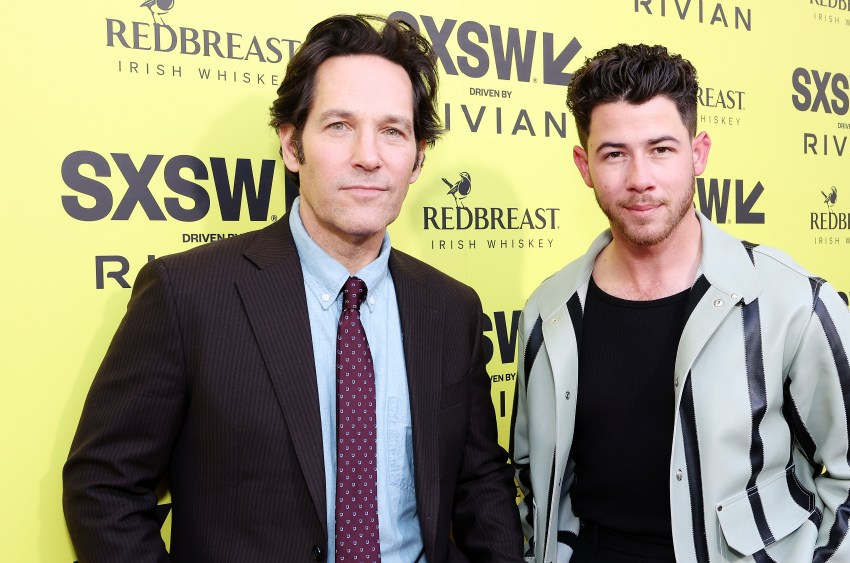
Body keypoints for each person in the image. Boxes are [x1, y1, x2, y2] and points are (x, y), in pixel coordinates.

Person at [64, 14, 522, 563]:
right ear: (291, 145)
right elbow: (104, 487)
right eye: (339, 126)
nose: (368, 156)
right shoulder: (186, 295)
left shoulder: (450, 308)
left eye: (393, 131)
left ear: (418, 158)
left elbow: (479, 481)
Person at [510, 44, 850, 563]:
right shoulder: (548, 311)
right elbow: (533, 480)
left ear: (698, 154)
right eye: (614, 154)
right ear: (584, 165)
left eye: (661, 149)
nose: (640, 178)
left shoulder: (787, 300)